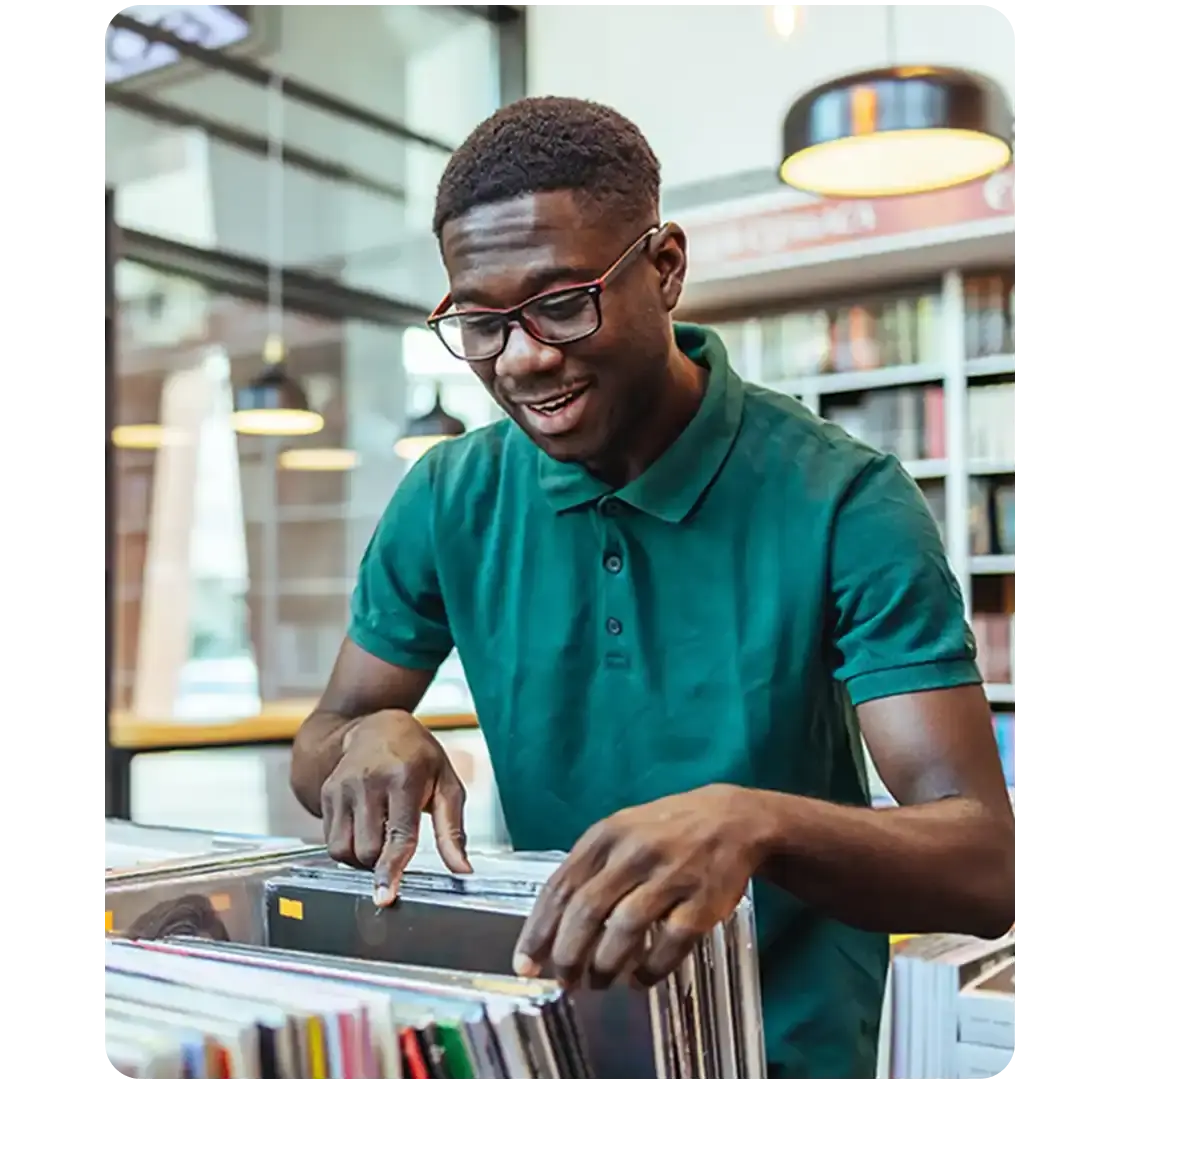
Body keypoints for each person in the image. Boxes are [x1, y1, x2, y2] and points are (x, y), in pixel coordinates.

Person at [290, 96, 1015, 1080]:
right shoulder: (447, 497)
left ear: (664, 267)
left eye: (560, 301)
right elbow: (324, 737)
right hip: (557, 1030)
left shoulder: (843, 498)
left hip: (790, 1054)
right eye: (480, 320)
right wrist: (366, 737)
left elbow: (981, 863)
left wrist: (756, 820)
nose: (524, 356)